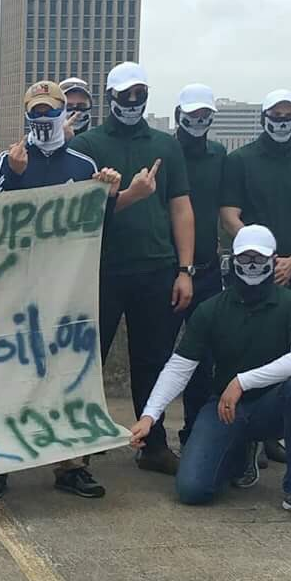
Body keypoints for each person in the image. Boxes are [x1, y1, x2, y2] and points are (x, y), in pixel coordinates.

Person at [0, 80, 125, 501]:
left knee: (68, 375)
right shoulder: (9, 160)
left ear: (63, 114)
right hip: (17, 287)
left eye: (49, 110)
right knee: (6, 373)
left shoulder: (81, 164)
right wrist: (16, 178)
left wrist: (108, 196)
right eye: (34, 112)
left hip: (66, 287)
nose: (42, 119)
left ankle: (71, 464)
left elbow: (96, 230)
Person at [129, 225, 291, 524]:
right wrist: (149, 416)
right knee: (192, 490)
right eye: (244, 258)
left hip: (275, 405)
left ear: (273, 261)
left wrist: (243, 381)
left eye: (258, 260)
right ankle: (240, 454)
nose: (251, 266)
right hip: (225, 408)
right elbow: (180, 367)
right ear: (231, 260)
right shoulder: (211, 309)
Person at [66, 62, 196, 476]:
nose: (133, 102)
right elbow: (79, 211)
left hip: (155, 268)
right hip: (99, 269)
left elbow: (181, 207)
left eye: (140, 95)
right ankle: (78, 447)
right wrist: (129, 193)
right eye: (125, 96)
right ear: (110, 98)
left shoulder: (166, 144)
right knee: (88, 361)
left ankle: (153, 444)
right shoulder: (87, 144)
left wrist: (185, 269)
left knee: (153, 360)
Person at [166, 84, 228, 451]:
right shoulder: (165, 150)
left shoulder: (220, 155)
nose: (198, 121)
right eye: (192, 115)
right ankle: (152, 434)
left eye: (205, 116)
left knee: (204, 358)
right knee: (160, 355)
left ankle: (195, 432)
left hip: (206, 270)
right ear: (179, 116)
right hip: (167, 269)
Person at [219, 90, 291, 295]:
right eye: (276, 116)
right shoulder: (239, 160)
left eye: (288, 117)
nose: (282, 122)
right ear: (263, 118)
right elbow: (229, 217)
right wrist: (258, 253)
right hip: (247, 266)